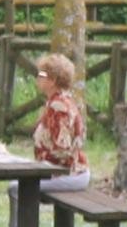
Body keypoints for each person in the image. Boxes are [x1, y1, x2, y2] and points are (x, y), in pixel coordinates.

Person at [30, 49, 90, 178]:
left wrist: (38, 165)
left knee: (16, 188)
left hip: (68, 174)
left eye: (41, 75)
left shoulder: (59, 107)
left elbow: (62, 151)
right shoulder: (61, 100)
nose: (37, 78)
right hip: (63, 171)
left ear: (52, 81)